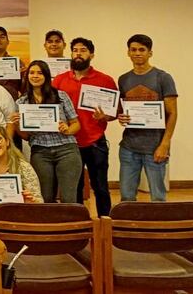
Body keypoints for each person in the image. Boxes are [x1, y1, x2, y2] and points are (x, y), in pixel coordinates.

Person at [52, 37, 117, 216]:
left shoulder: (106, 80)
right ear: (71, 53)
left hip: (95, 141)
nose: (78, 53)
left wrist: (106, 116)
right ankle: (81, 225)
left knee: (101, 187)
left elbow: (115, 112)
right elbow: (51, 108)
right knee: (75, 188)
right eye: (75, 50)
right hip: (69, 142)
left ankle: (105, 224)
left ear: (91, 54)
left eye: (83, 50)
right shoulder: (59, 80)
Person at [116, 34, 178, 202]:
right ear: (128, 52)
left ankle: (158, 228)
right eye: (133, 49)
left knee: (158, 197)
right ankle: (129, 227)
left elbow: (172, 113)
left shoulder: (163, 78)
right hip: (129, 147)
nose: (137, 53)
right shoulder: (123, 79)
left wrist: (165, 144)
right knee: (127, 197)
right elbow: (121, 110)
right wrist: (121, 118)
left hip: (155, 147)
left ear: (150, 53)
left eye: (142, 50)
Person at [12, 61, 82, 203]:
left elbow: (76, 124)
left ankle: (70, 225)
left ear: (46, 76)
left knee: (68, 198)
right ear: (27, 76)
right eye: (32, 73)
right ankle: (50, 225)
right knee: (45, 197)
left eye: (40, 73)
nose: (35, 76)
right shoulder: (21, 103)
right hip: (40, 152)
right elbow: (26, 136)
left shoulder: (61, 96)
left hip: (66, 149)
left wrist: (67, 129)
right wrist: (17, 124)